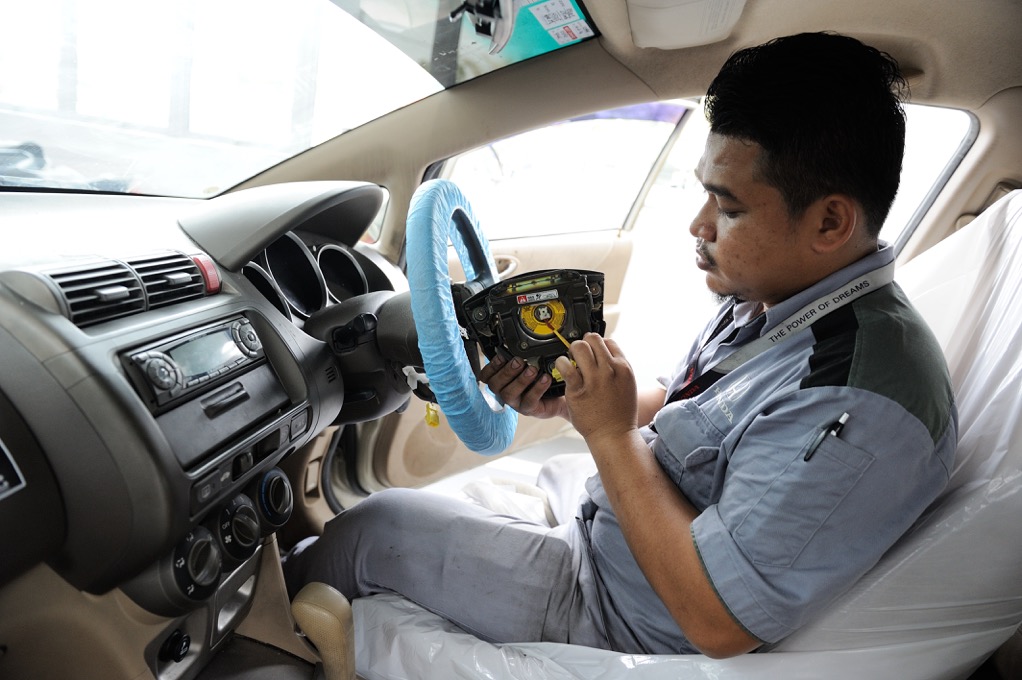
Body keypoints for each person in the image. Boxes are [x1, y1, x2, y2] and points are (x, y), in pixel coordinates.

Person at [283, 31, 957, 659]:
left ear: (830, 220)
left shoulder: (860, 406)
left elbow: (717, 619)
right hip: (602, 538)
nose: (698, 224)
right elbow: (691, 408)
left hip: (614, 613)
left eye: (727, 207)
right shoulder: (783, 301)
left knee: (372, 533)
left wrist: (608, 435)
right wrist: (585, 404)